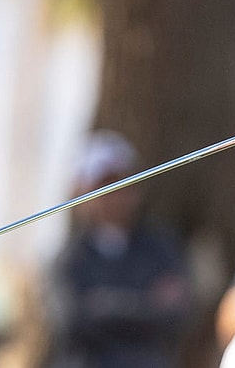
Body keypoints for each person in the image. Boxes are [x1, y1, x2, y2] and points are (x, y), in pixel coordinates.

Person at [45, 130, 192, 368]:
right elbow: (70, 320)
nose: (116, 195)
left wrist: (102, 304)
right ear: (86, 192)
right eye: (105, 185)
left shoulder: (161, 248)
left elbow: (177, 314)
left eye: (123, 183)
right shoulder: (69, 259)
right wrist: (144, 304)